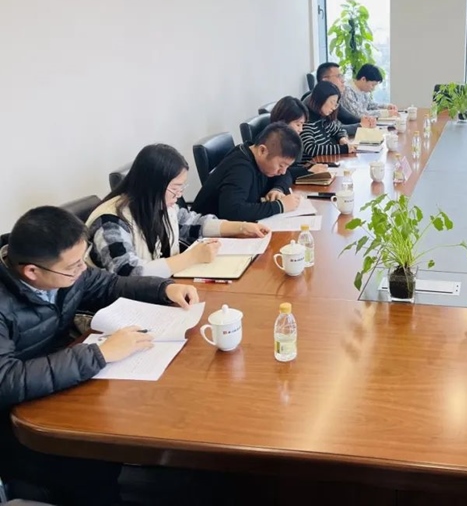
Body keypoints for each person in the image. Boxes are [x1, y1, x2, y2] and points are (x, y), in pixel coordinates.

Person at [0, 206, 199, 504]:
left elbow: (109, 284)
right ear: (31, 272)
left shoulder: (63, 271)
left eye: (83, 259)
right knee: (92, 468)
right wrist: (99, 354)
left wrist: (164, 289)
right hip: (19, 420)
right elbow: (6, 380)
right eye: (73, 266)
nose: (82, 269)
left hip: (62, 385)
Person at [87, 144, 270, 278]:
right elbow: (126, 272)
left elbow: (193, 224)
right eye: (175, 188)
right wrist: (191, 258)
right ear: (152, 185)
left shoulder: (158, 204)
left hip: (161, 289)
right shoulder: (110, 221)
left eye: (182, 187)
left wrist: (242, 227)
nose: (179, 195)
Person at [192, 122, 303, 221]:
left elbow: (286, 175)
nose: (283, 171)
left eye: (287, 166)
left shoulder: (257, 156)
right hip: (205, 231)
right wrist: (280, 206)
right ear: (262, 150)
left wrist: (277, 189)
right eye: (281, 165)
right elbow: (232, 211)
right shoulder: (241, 168)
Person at [269, 96, 331, 182]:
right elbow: (281, 173)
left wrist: (309, 167)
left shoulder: (291, 141)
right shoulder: (273, 143)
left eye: (302, 125)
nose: (301, 129)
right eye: (298, 124)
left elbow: (293, 167)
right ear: (283, 122)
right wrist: (307, 171)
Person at [314, 62, 376, 134]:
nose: (343, 80)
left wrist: (365, 121)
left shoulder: (333, 98)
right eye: (338, 76)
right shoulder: (316, 100)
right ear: (325, 80)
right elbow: (330, 130)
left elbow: (348, 118)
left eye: (342, 76)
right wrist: (360, 125)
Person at [301, 81, 357, 158]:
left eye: (335, 104)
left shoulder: (324, 118)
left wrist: (342, 138)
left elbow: (339, 130)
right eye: (332, 102)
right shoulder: (305, 121)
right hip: (312, 163)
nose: (333, 108)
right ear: (320, 99)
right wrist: (343, 149)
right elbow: (311, 149)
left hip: (326, 161)